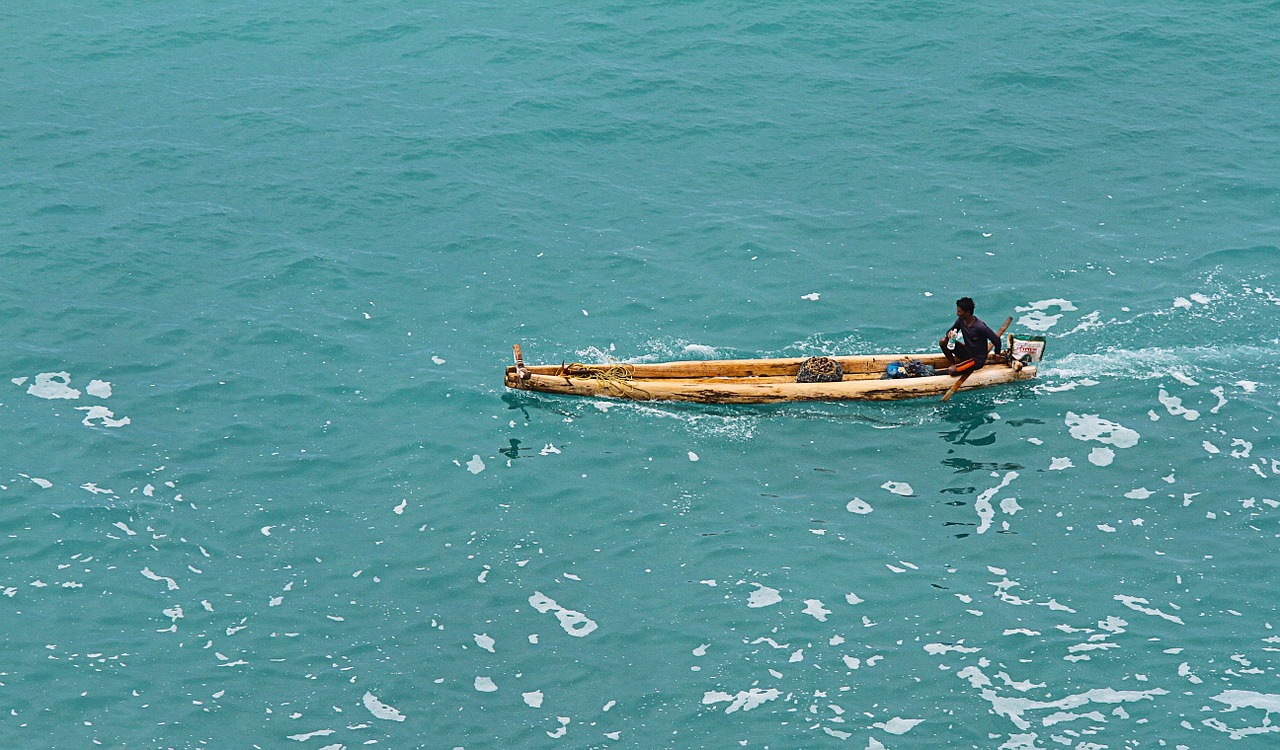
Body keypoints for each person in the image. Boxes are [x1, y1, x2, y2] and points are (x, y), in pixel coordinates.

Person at [939, 297, 1003, 376]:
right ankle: (953, 364)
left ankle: (951, 369)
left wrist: (997, 354)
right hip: (967, 352)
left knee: (952, 371)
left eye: (959, 311)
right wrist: (949, 334)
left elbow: (996, 340)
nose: (957, 313)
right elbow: (950, 331)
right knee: (943, 341)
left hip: (977, 360)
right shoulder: (961, 320)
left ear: (967, 313)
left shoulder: (980, 327)